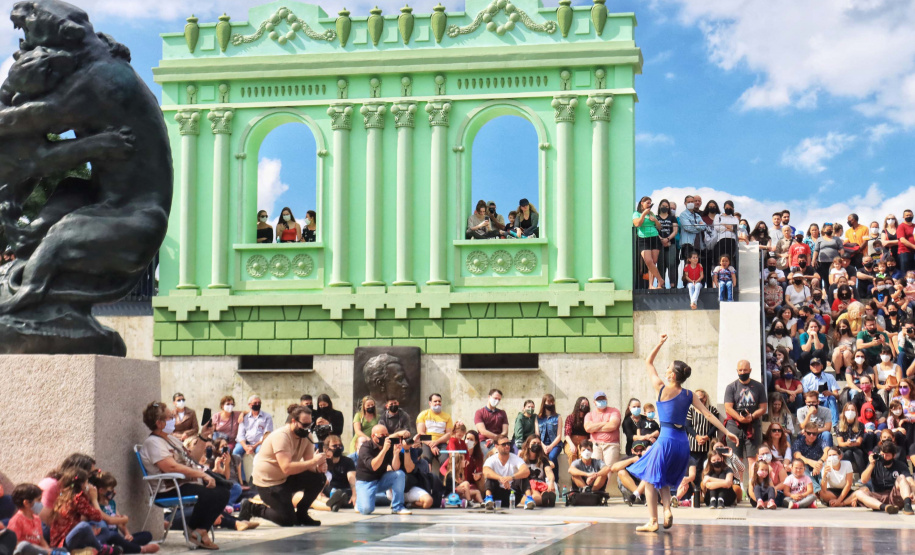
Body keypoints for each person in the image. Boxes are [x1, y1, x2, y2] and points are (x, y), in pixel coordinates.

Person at [625, 334, 737, 532]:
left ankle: (653, 521)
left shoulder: (661, 389)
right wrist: (727, 431)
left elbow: (648, 362)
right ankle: (667, 509)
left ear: (672, 376)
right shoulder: (689, 394)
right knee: (664, 480)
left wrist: (659, 343)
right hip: (682, 442)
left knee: (650, 481)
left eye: (668, 368)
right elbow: (710, 416)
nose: (665, 370)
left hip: (666, 439)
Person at [139, 402, 228, 550]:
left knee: (224, 490)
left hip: (183, 484)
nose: (174, 418)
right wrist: (202, 475)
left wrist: (203, 437)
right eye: (170, 417)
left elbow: (192, 458)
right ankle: (195, 530)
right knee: (209, 494)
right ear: (159, 423)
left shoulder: (171, 439)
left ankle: (199, 530)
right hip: (168, 489)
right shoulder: (153, 443)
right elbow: (170, 467)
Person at [239, 405, 327, 527]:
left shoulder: (307, 437)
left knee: (319, 478)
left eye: (309, 425)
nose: (307, 429)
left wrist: (318, 468)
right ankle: (252, 508)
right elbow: (287, 467)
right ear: (294, 421)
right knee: (287, 520)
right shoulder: (281, 436)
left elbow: (309, 464)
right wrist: (313, 462)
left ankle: (302, 513)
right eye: (304, 425)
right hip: (268, 483)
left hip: (285, 478)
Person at [353, 425, 412, 515]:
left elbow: (395, 468)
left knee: (399, 474)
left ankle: (397, 507)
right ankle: (360, 501)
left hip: (380, 480)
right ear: (373, 436)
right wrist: (384, 450)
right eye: (382, 435)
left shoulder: (389, 445)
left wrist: (396, 454)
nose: (385, 438)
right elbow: (374, 466)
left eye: (386, 435)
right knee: (366, 510)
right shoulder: (366, 447)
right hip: (365, 482)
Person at [93, 473, 159, 553]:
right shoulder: (96, 506)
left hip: (117, 538)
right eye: (111, 489)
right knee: (114, 536)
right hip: (108, 538)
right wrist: (124, 519)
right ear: (101, 491)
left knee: (147, 535)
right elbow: (112, 520)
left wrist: (127, 534)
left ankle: (123, 548)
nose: (114, 492)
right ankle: (140, 549)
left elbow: (119, 521)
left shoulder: (111, 503)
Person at [724, 360, 767, 477]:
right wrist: (739, 418)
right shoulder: (731, 387)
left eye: (745, 370)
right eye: (740, 370)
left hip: (753, 425)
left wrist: (752, 416)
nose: (743, 372)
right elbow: (728, 407)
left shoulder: (759, 386)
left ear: (750, 370)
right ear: (737, 371)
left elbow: (763, 407)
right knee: (736, 459)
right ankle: (739, 488)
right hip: (735, 425)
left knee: (753, 459)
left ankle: (753, 489)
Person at [852, 440, 915, 514]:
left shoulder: (900, 465)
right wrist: (871, 465)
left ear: (894, 455)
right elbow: (863, 480)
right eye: (882, 454)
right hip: (878, 496)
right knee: (859, 493)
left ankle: (907, 505)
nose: (884, 457)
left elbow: (910, 480)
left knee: (901, 477)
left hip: (894, 495)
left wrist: (913, 492)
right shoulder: (874, 464)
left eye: (887, 455)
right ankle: (885, 507)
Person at [481, 435, 534, 510]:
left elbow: (526, 471)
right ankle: (488, 499)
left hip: (512, 494)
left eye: (508, 444)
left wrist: (510, 477)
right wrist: (501, 478)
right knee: (490, 478)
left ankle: (529, 499)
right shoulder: (492, 459)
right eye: (503, 444)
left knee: (522, 477)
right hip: (497, 495)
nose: (507, 446)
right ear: (496, 446)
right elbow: (486, 471)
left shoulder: (515, 458)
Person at [6, 483, 54, 555]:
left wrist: (48, 550)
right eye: (38, 500)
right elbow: (15, 544)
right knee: (24, 545)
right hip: (25, 552)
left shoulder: (37, 519)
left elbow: (41, 539)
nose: (41, 503)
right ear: (26, 503)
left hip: (40, 552)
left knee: (62, 549)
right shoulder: (16, 521)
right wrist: (42, 550)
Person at [583, 391, 621, 469]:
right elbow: (588, 428)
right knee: (595, 469)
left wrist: (595, 429)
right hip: (595, 445)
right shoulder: (589, 414)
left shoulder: (614, 411)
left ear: (606, 399)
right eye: (598, 400)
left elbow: (613, 425)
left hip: (611, 445)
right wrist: (604, 423)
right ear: (594, 402)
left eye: (603, 399)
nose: (601, 401)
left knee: (609, 469)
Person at [633, 196, 664, 289]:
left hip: (654, 237)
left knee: (653, 262)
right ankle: (660, 279)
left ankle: (651, 285)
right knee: (648, 261)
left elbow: (659, 227)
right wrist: (643, 215)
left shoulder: (652, 214)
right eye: (647, 202)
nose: (649, 205)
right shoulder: (636, 213)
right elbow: (637, 224)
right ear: (642, 203)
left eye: (650, 203)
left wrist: (655, 220)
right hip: (643, 238)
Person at [800, 358, 840, 427]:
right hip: (813, 403)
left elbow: (837, 395)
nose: (815, 367)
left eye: (817, 365)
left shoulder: (830, 377)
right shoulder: (806, 379)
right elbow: (804, 395)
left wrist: (830, 393)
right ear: (810, 367)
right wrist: (813, 394)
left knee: (832, 398)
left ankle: (835, 425)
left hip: (826, 402)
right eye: (813, 365)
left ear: (822, 366)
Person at [518, 436, 557, 507]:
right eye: (534, 443)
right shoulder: (521, 459)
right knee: (537, 498)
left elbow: (548, 471)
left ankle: (546, 499)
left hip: (540, 484)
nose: (536, 445)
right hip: (528, 486)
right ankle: (543, 501)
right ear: (528, 445)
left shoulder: (543, 459)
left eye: (539, 443)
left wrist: (551, 482)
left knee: (548, 492)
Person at [415, 393, 453, 465]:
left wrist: (436, 442)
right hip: (427, 442)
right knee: (425, 461)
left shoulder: (447, 416)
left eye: (439, 401)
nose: (437, 403)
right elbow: (421, 433)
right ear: (430, 403)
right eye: (435, 401)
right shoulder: (423, 414)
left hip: (441, 442)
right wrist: (432, 444)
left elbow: (449, 434)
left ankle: (444, 476)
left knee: (446, 462)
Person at [686, 389, 720, 469]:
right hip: (694, 444)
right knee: (695, 467)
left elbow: (715, 425)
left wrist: (707, 436)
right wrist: (697, 437)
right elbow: (688, 426)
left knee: (707, 467)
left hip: (708, 444)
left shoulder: (712, 410)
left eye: (700, 399)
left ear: (705, 398)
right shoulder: (691, 410)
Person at [612, 440, 649, 505]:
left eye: (641, 450)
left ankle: (638, 494)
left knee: (651, 472)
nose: (639, 453)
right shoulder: (629, 459)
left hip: (646, 493)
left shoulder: (648, 459)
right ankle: (639, 495)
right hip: (631, 494)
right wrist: (631, 460)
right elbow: (613, 468)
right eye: (636, 450)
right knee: (621, 472)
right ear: (632, 451)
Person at [535, 394, 563, 472]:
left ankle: (555, 480)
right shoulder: (538, 418)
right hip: (542, 443)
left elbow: (559, 435)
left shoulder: (558, 417)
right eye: (548, 402)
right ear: (544, 403)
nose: (550, 404)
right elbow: (537, 435)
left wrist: (551, 446)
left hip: (555, 444)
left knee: (552, 456)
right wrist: (543, 446)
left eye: (552, 402)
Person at [656, 199, 679, 289]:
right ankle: (661, 284)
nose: (664, 208)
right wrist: (661, 239)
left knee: (671, 263)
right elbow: (654, 229)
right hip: (659, 243)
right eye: (663, 206)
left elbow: (675, 230)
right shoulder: (656, 218)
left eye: (666, 206)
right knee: (661, 264)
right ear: (659, 206)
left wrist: (668, 239)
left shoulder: (672, 218)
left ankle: (672, 284)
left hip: (671, 243)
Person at [563, 396, 590, 465]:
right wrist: (571, 444)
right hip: (571, 441)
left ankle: (583, 474)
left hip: (584, 441)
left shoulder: (589, 418)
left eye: (586, 404)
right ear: (578, 404)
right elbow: (567, 434)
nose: (585, 406)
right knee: (572, 453)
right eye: (583, 404)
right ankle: (574, 474)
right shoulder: (571, 417)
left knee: (583, 454)